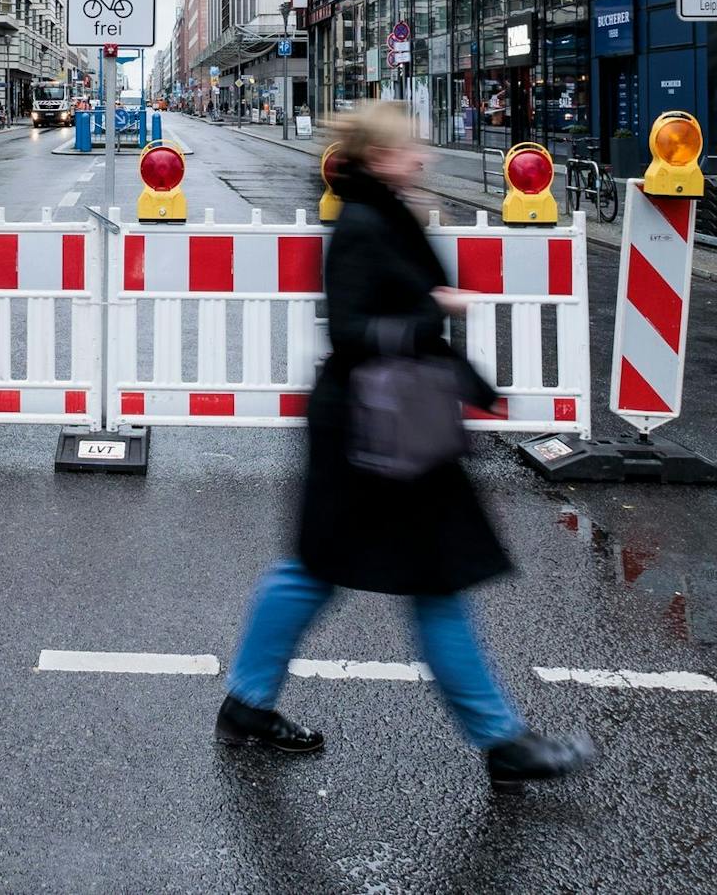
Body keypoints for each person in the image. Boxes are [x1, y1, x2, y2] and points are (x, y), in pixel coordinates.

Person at [215, 101, 594, 793]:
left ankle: (248, 704)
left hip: (380, 422)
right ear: (379, 156)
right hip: (380, 428)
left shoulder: (381, 208)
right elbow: (353, 329)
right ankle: (502, 740)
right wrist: (436, 308)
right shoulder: (363, 220)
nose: (422, 154)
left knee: (324, 570)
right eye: (408, 145)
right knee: (421, 580)